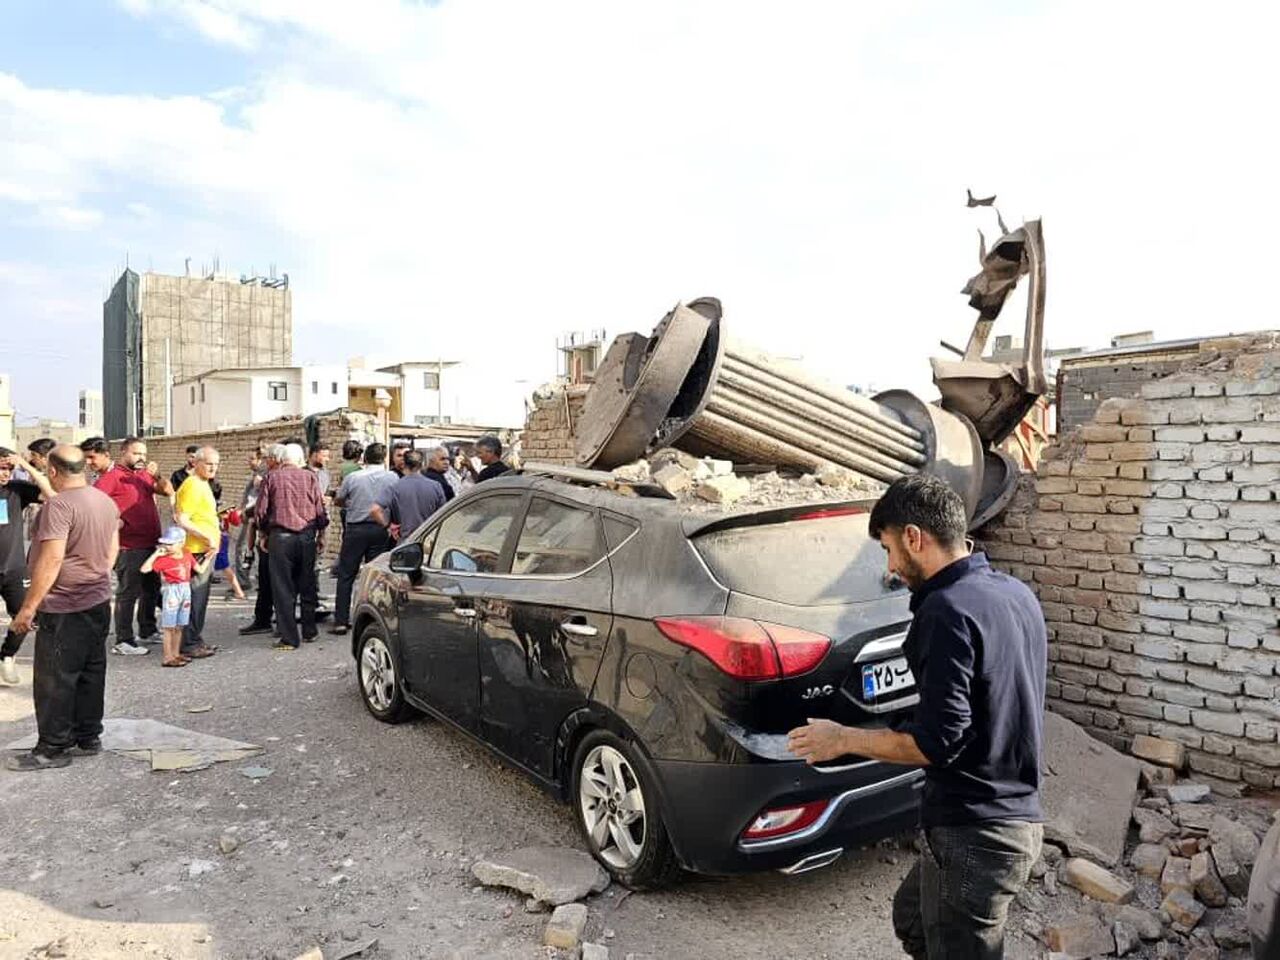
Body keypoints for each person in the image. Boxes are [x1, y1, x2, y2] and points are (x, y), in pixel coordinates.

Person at [787, 475, 1047, 960]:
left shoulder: (946, 611)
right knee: (913, 920)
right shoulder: (1012, 592)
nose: (889, 568)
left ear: (913, 537)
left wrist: (840, 738)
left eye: (888, 549)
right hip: (1003, 822)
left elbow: (934, 744)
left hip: (976, 832)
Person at [5, 444, 119, 772]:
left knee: (55, 678)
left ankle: (52, 749)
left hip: (65, 606)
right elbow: (113, 547)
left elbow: (52, 559)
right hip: (97, 600)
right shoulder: (103, 500)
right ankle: (87, 735)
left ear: (53, 471)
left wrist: (28, 608)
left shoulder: (58, 506)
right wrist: (96, 575)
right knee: (90, 671)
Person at [93, 437, 173, 656]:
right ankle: (124, 639)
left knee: (151, 589)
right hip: (129, 546)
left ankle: (147, 630)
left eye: (144, 454)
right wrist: (114, 522)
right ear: (124, 452)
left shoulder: (144, 475)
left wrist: (156, 474)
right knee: (128, 592)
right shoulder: (113, 477)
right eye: (137, 453)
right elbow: (93, 504)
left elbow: (168, 491)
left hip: (151, 544)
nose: (141, 458)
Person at [255, 443, 328, 650]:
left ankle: (289, 637)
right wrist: (321, 534)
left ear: (282, 459)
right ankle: (310, 630)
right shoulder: (310, 477)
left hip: (281, 538)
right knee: (307, 584)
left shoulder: (271, 477)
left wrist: (263, 533)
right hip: (306, 537)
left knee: (283, 588)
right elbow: (320, 509)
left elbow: (261, 511)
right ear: (300, 459)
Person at [329, 443, 397, 635]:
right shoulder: (392, 477)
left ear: (364, 458)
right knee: (375, 577)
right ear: (384, 459)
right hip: (380, 528)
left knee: (346, 575)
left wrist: (348, 501)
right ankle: (374, 619)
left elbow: (340, 500)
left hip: (356, 530)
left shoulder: (353, 477)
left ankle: (341, 621)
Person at [0, 448, 55, 686]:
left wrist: (27, 466)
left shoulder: (16, 490)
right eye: (1, 468)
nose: (5, 473)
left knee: (25, 615)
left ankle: (7, 656)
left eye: (9, 468)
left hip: (13, 568)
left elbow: (53, 495)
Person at [173, 446, 221, 661]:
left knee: (199, 598)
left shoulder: (202, 484)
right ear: (196, 463)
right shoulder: (192, 485)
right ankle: (189, 643)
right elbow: (182, 519)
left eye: (216, 464)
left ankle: (194, 638)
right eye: (209, 463)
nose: (213, 468)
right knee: (195, 598)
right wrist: (206, 537)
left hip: (204, 550)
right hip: (197, 550)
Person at [141, 525, 212, 668]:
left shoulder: (186, 554)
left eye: (170, 544)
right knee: (169, 626)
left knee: (179, 625)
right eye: (165, 543)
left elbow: (200, 569)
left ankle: (176, 653)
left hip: (185, 589)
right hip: (172, 590)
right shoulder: (163, 559)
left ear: (181, 543)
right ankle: (167, 656)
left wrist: (208, 557)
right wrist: (156, 555)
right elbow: (145, 569)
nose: (166, 546)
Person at [371, 449, 446, 542]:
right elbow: (443, 514)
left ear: (404, 464)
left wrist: (388, 526)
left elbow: (375, 510)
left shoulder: (395, 487)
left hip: (405, 541)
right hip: (429, 540)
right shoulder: (436, 486)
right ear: (422, 464)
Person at [215, 507, 245, 600]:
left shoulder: (217, 512)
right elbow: (235, 521)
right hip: (222, 537)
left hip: (218, 539)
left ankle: (238, 591)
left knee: (225, 566)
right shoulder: (225, 513)